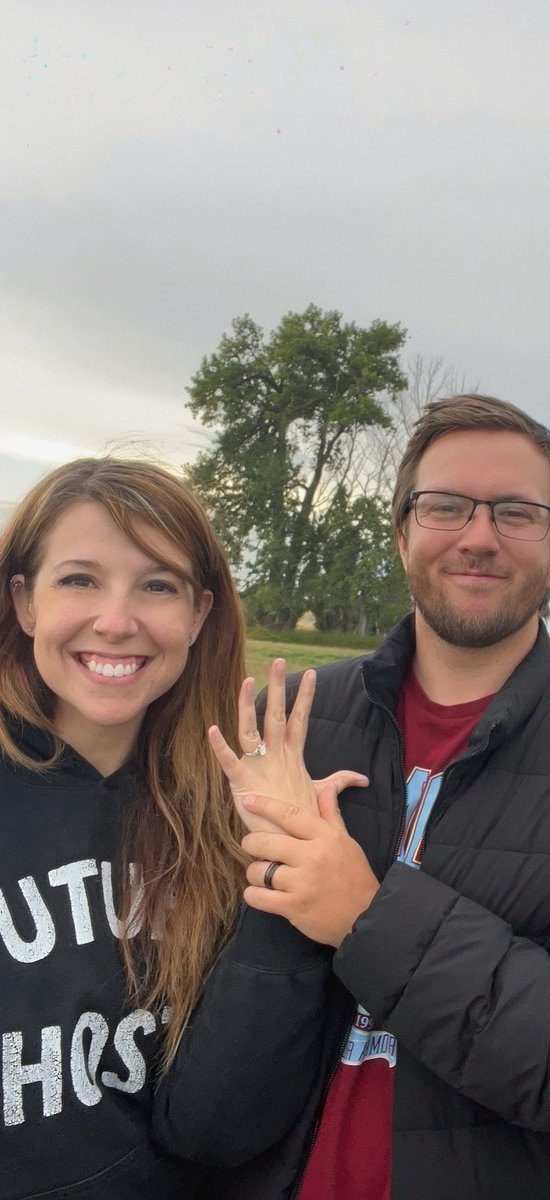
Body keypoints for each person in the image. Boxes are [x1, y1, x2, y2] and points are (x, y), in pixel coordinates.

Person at [211, 393, 550, 1200]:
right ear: (402, 532)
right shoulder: (294, 726)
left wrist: (365, 915)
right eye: (445, 505)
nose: (479, 536)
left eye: (517, 513)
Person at [0, 457, 365, 1198]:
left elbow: (219, 1126)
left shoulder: (215, 816)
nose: (116, 619)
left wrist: (279, 855)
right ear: (25, 601)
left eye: (157, 586)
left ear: (199, 614)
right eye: (79, 579)